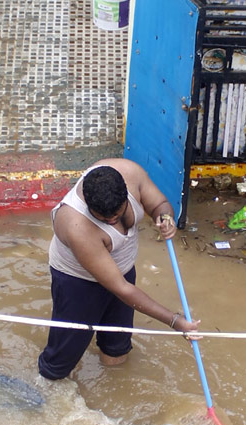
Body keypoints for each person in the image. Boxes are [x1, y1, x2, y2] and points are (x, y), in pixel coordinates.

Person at [38, 159, 199, 380]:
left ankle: (114, 384)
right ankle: (46, 388)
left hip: (122, 271)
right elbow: (122, 290)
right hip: (78, 283)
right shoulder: (76, 225)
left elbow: (159, 203)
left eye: (117, 213)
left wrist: (165, 217)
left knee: (117, 347)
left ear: (125, 194)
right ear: (89, 206)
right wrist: (174, 321)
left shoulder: (130, 173)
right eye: (104, 219)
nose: (113, 221)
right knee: (64, 356)